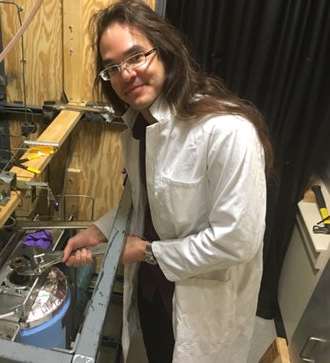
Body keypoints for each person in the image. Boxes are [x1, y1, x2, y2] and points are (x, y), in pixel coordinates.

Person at [62, 1, 273, 362]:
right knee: (159, 350)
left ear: (165, 51)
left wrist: (146, 252)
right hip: (154, 291)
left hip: (202, 303)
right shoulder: (136, 130)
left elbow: (237, 241)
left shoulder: (226, 131)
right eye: (113, 67)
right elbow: (144, 203)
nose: (126, 74)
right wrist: (98, 231)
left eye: (136, 56)